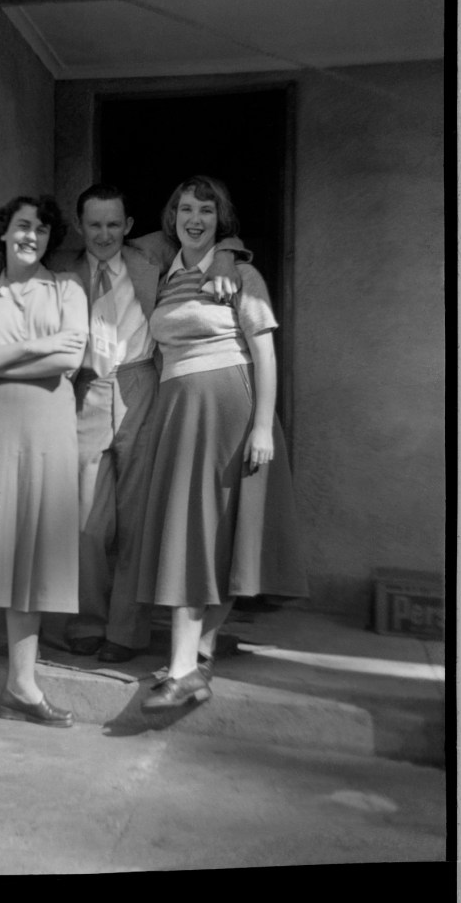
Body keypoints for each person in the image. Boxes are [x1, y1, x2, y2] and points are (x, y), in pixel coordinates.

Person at [0, 184, 249, 663]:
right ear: (78, 225)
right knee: (87, 522)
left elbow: (217, 235)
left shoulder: (152, 250)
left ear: (129, 225)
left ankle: (126, 633)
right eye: (94, 224)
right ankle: (87, 623)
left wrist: (223, 260)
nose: (105, 234)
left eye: (114, 224)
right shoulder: (63, 268)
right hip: (86, 391)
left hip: (142, 389)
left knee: (139, 517)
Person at [135, 175, 307, 711]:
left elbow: (265, 354)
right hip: (179, 415)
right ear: (171, 217)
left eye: (206, 211)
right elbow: (118, 241)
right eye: (185, 208)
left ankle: (184, 667)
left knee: (223, 536)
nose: (195, 219)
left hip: (231, 413)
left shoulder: (243, 275)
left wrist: (262, 426)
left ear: (220, 219)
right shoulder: (163, 272)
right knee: (197, 535)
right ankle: (198, 656)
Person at [0, 194, 88, 728]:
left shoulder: (68, 287)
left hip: (47, 426)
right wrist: (35, 349)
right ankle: (19, 686)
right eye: (23, 226)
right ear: (4, 232)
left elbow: (71, 357)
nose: (32, 236)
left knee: (32, 551)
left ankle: (22, 685)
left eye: (43, 229)